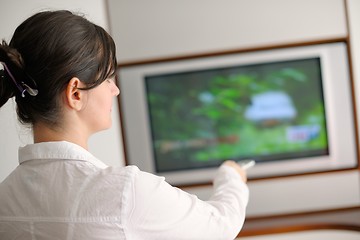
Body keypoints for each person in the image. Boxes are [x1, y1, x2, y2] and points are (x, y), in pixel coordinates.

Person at [0, 10, 249, 240]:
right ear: (76, 93)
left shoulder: (4, 199)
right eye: (108, 78)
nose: (115, 90)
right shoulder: (124, 194)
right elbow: (222, 224)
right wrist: (231, 177)